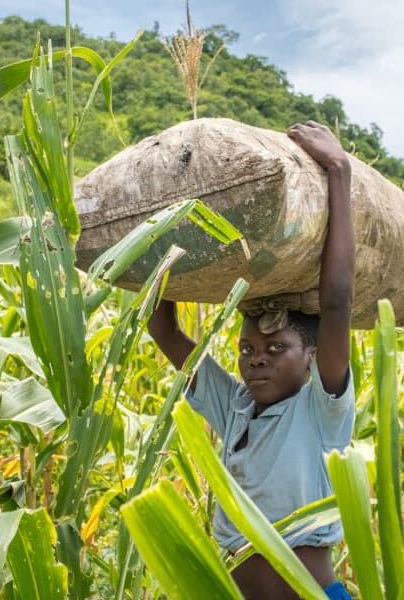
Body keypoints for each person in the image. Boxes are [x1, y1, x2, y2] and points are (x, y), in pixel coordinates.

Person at [148, 120, 355, 600]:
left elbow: (339, 300)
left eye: (276, 349)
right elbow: (162, 328)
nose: (256, 360)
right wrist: (162, 228)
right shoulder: (234, 407)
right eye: (247, 349)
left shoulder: (321, 411)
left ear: (312, 357)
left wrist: (338, 170)